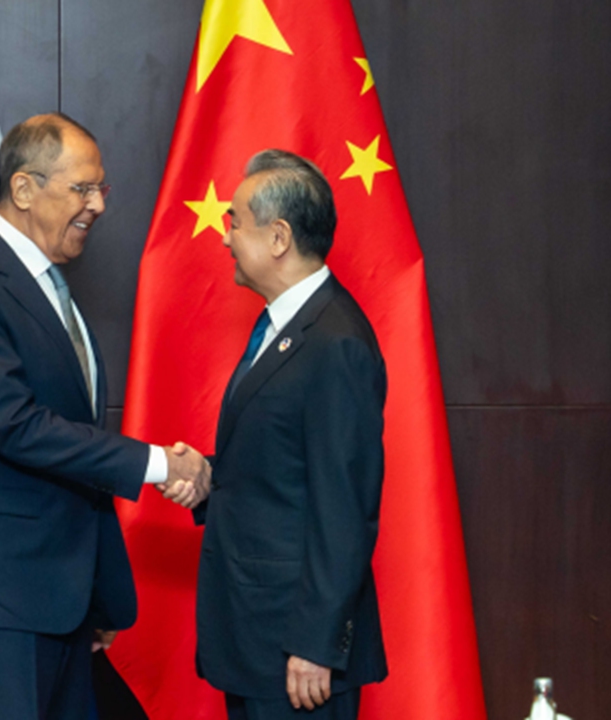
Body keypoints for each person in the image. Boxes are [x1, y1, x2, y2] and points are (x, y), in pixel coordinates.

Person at [0, 113, 209, 720]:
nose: (97, 205)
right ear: (23, 189)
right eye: (82, 188)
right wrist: (157, 464)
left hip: (60, 598)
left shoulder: (46, 282)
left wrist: (91, 593)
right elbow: (15, 425)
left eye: (103, 190)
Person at [192, 149, 388, 719]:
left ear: (278, 237)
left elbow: (345, 507)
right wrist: (207, 476)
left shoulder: (335, 343)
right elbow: (284, 466)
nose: (225, 237)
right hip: (258, 640)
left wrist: (315, 642)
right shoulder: (284, 325)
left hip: (296, 654)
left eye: (234, 221)